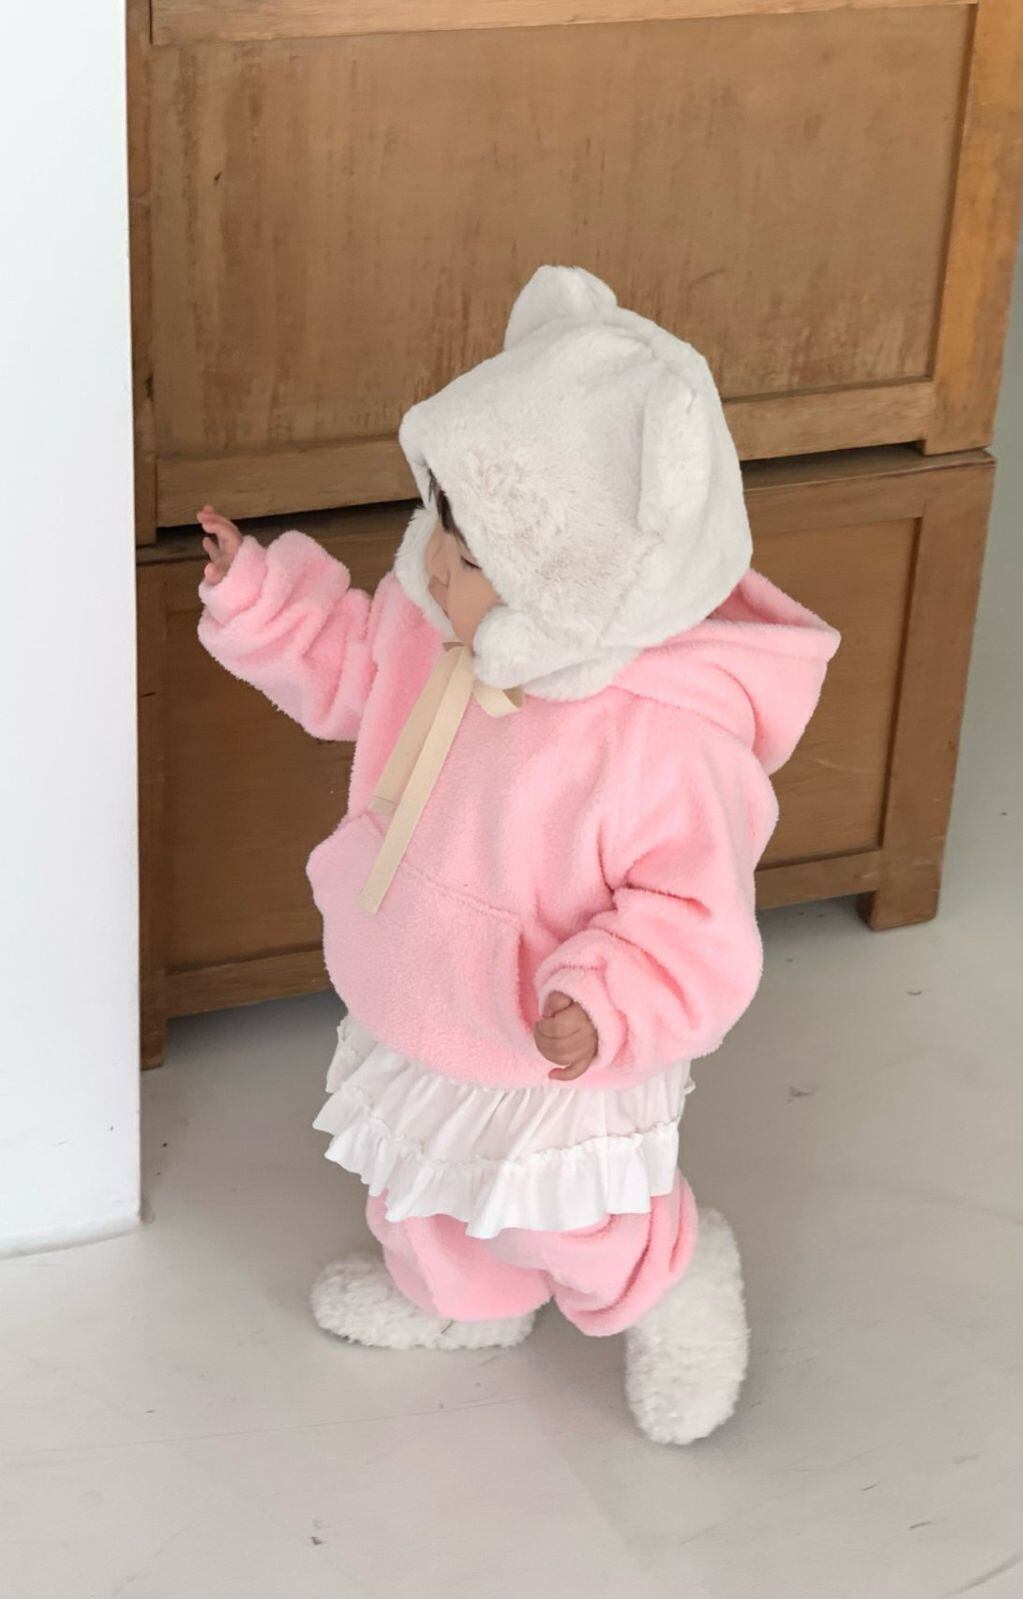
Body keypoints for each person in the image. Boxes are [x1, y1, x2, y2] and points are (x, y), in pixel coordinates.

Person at [196, 266, 838, 1444]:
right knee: (416, 1182)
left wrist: (605, 1000)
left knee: (568, 1212)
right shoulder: (437, 625)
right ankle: (461, 1303)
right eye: (438, 522)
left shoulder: (658, 742)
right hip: (419, 985)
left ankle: (669, 1276)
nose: (436, 565)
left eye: (475, 551)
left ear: (583, 579)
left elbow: (690, 916)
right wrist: (261, 600)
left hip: (550, 1041)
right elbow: (351, 674)